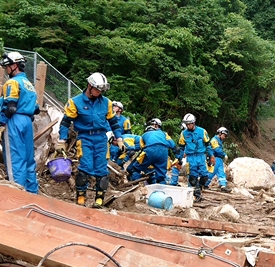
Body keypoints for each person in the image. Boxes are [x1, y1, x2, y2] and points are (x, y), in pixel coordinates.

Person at [55, 72, 125, 208]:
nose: (100, 93)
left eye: (102, 90)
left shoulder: (107, 103)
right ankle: (81, 196)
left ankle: (99, 198)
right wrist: (62, 140)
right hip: (85, 137)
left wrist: (120, 139)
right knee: (85, 168)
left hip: (101, 138)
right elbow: (65, 122)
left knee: (102, 169)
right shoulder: (75, 102)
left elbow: (114, 123)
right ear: (89, 86)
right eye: (98, 90)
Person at [0, 52, 40, 194]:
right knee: (29, 160)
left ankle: (16, 196)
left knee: (15, 161)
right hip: (27, 122)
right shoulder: (29, 84)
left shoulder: (12, 82)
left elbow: (10, 107)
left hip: (14, 121)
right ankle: (32, 196)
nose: (6, 70)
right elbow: (36, 109)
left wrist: (1, 123)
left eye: (7, 67)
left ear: (14, 66)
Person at [126, 119, 176, 184]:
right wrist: (178, 158)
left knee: (134, 169)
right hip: (164, 152)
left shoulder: (144, 135)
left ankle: (137, 187)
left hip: (150, 151)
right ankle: (162, 191)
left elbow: (142, 148)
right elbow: (174, 146)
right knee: (160, 177)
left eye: (154, 125)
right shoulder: (164, 134)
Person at [177, 113, 213, 202]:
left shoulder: (202, 131)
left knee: (205, 176)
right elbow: (181, 147)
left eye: (189, 124)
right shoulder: (184, 134)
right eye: (186, 124)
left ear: (193, 123)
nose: (188, 126)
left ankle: (199, 187)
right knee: (192, 177)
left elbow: (208, 144)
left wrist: (210, 155)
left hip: (201, 156)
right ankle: (197, 195)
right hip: (190, 157)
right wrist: (179, 159)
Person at [205, 127, 230, 193]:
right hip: (214, 158)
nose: (224, 137)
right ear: (220, 133)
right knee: (211, 173)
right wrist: (224, 154)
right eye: (224, 135)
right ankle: (204, 184)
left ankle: (223, 186)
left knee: (221, 172)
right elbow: (217, 149)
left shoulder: (219, 140)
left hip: (219, 159)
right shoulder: (214, 140)